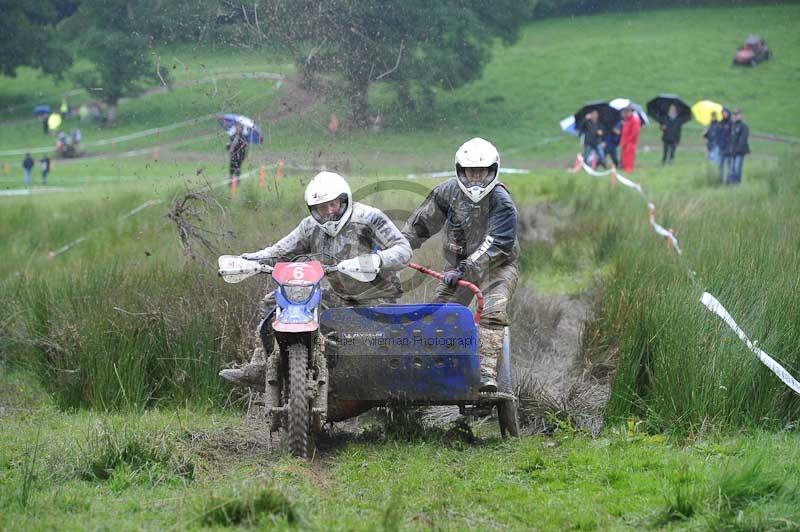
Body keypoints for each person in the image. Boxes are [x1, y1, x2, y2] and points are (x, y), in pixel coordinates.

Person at [220, 171, 412, 388]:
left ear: (344, 200)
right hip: (339, 296)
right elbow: (279, 252)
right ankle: (268, 365)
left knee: (365, 347)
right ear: (313, 209)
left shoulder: (369, 219)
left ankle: (372, 377)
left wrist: (376, 260)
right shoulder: (309, 227)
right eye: (322, 207)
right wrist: (247, 260)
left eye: (333, 204)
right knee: (273, 302)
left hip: (378, 298)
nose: (329, 211)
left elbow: (403, 250)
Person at [402, 137, 519, 393]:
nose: (475, 178)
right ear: (460, 171)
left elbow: (496, 244)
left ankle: (486, 374)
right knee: (438, 315)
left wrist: (463, 269)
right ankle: (431, 369)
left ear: (492, 171)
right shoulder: (446, 192)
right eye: (470, 172)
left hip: (497, 268)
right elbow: (419, 226)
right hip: (458, 270)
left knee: (492, 312)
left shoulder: (502, 202)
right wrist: (399, 249)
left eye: (481, 172)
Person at [726, 109, 750, 185]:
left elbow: (743, 139)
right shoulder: (732, 125)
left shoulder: (744, 126)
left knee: (737, 167)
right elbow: (729, 137)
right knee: (731, 168)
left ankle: (737, 183)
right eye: (734, 114)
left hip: (740, 151)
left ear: (741, 115)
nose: (735, 116)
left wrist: (737, 149)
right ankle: (731, 183)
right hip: (732, 150)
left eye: (737, 114)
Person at [619, 106, 641, 173]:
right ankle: (625, 169)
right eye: (625, 112)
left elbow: (635, 133)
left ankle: (628, 170)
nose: (625, 113)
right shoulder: (626, 120)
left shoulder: (635, 120)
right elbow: (624, 132)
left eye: (627, 112)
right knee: (624, 157)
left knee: (629, 157)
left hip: (630, 143)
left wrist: (627, 141)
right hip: (624, 142)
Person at [227, 123, 248, 192]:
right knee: (231, 170)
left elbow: (243, 147)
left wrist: (236, 145)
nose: (238, 128)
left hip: (239, 158)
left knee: (237, 170)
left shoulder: (243, 138)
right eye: (237, 127)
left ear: (242, 129)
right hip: (233, 157)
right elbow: (229, 146)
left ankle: (237, 184)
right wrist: (229, 146)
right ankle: (230, 184)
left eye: (240, 127)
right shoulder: (233, 136)